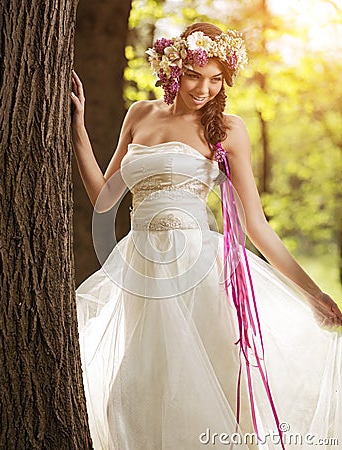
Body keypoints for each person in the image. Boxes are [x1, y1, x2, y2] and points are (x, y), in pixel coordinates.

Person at [71, 22, 342, 450]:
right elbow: (105, 201)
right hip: (142, 266)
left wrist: (313, 294)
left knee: (204, 389)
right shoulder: (139, 115)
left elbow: (256, 225)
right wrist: (79, 132)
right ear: (173, 68)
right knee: (141, 390)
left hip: (198, 268)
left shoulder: (228, 130)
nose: (204, 89)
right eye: (195, 75)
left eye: (216, 79)